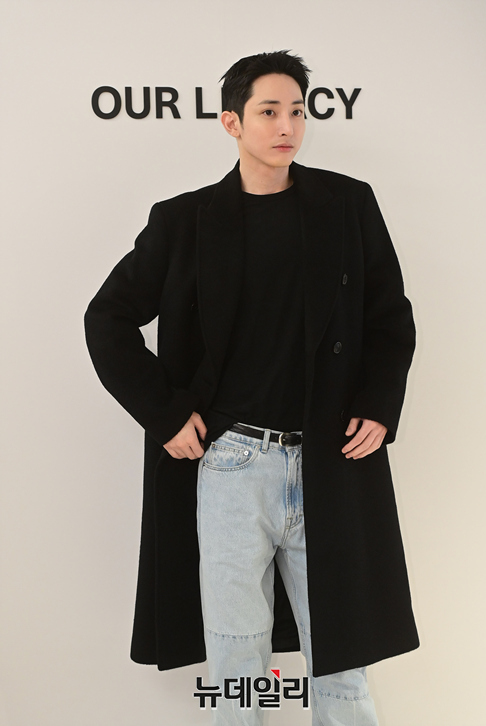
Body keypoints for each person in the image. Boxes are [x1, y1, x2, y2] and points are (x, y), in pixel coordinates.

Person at [84, 50, 419, 725]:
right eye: (269, 111)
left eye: (297, 111)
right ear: (231, 122)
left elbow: (391, 317)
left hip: (329, 461)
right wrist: (165, 413)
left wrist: (379, 405)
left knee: (343, 663)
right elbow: (106, 318)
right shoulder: (184, 221)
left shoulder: (347, 205)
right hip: (232, 464)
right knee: (237, 658)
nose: (287, 126)